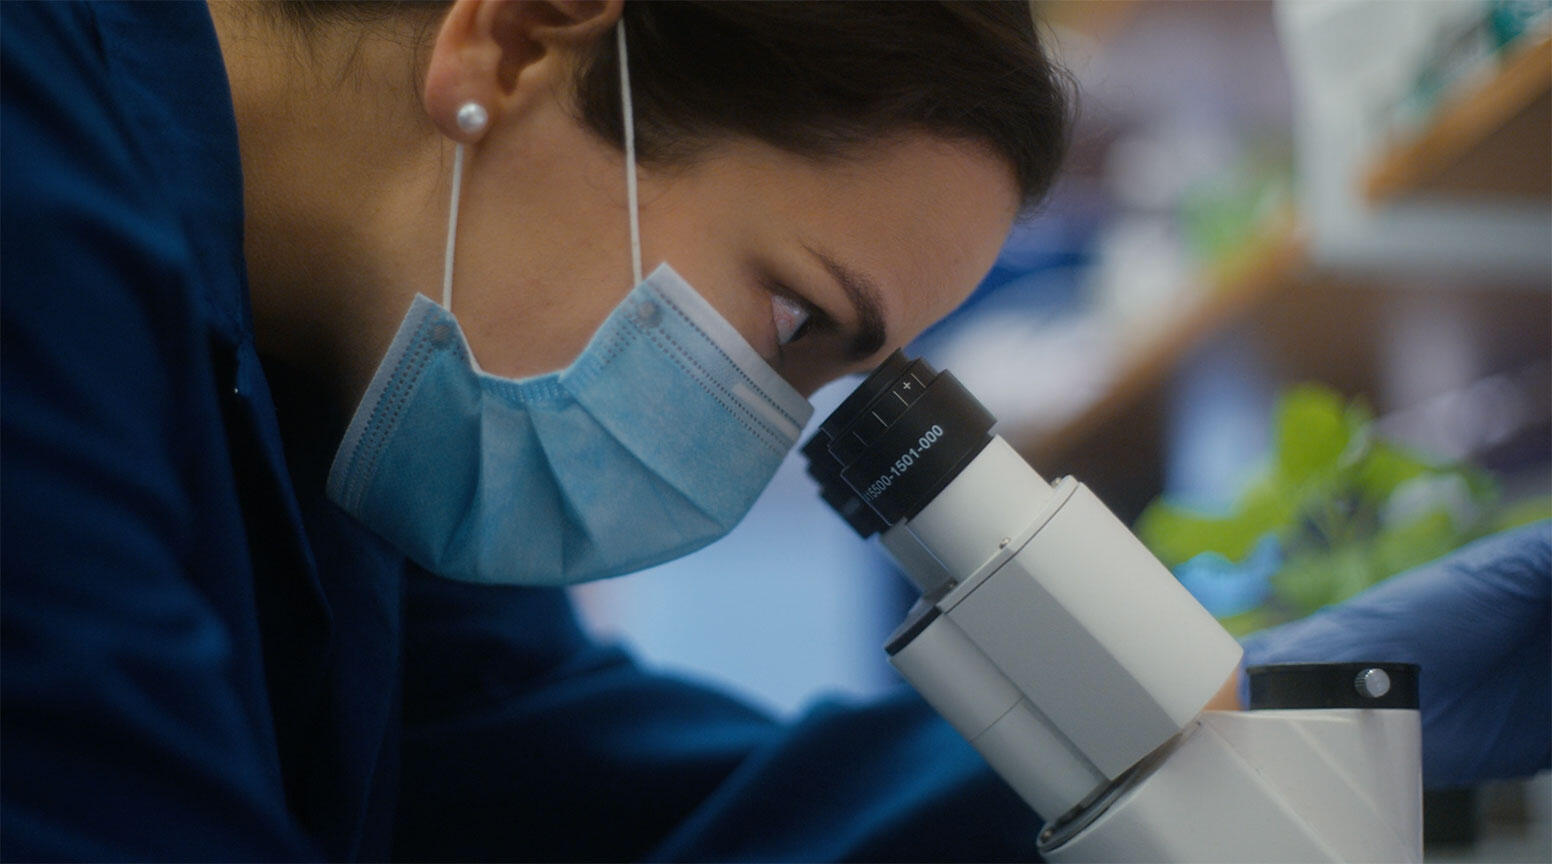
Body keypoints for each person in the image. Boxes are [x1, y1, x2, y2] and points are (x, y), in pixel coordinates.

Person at [2, 1, 1069, 859]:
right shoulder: (32, 177)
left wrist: (1122, 783)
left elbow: (561, 779)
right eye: (794, 319)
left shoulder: (339, 376)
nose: (762, 432)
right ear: (510, 47)